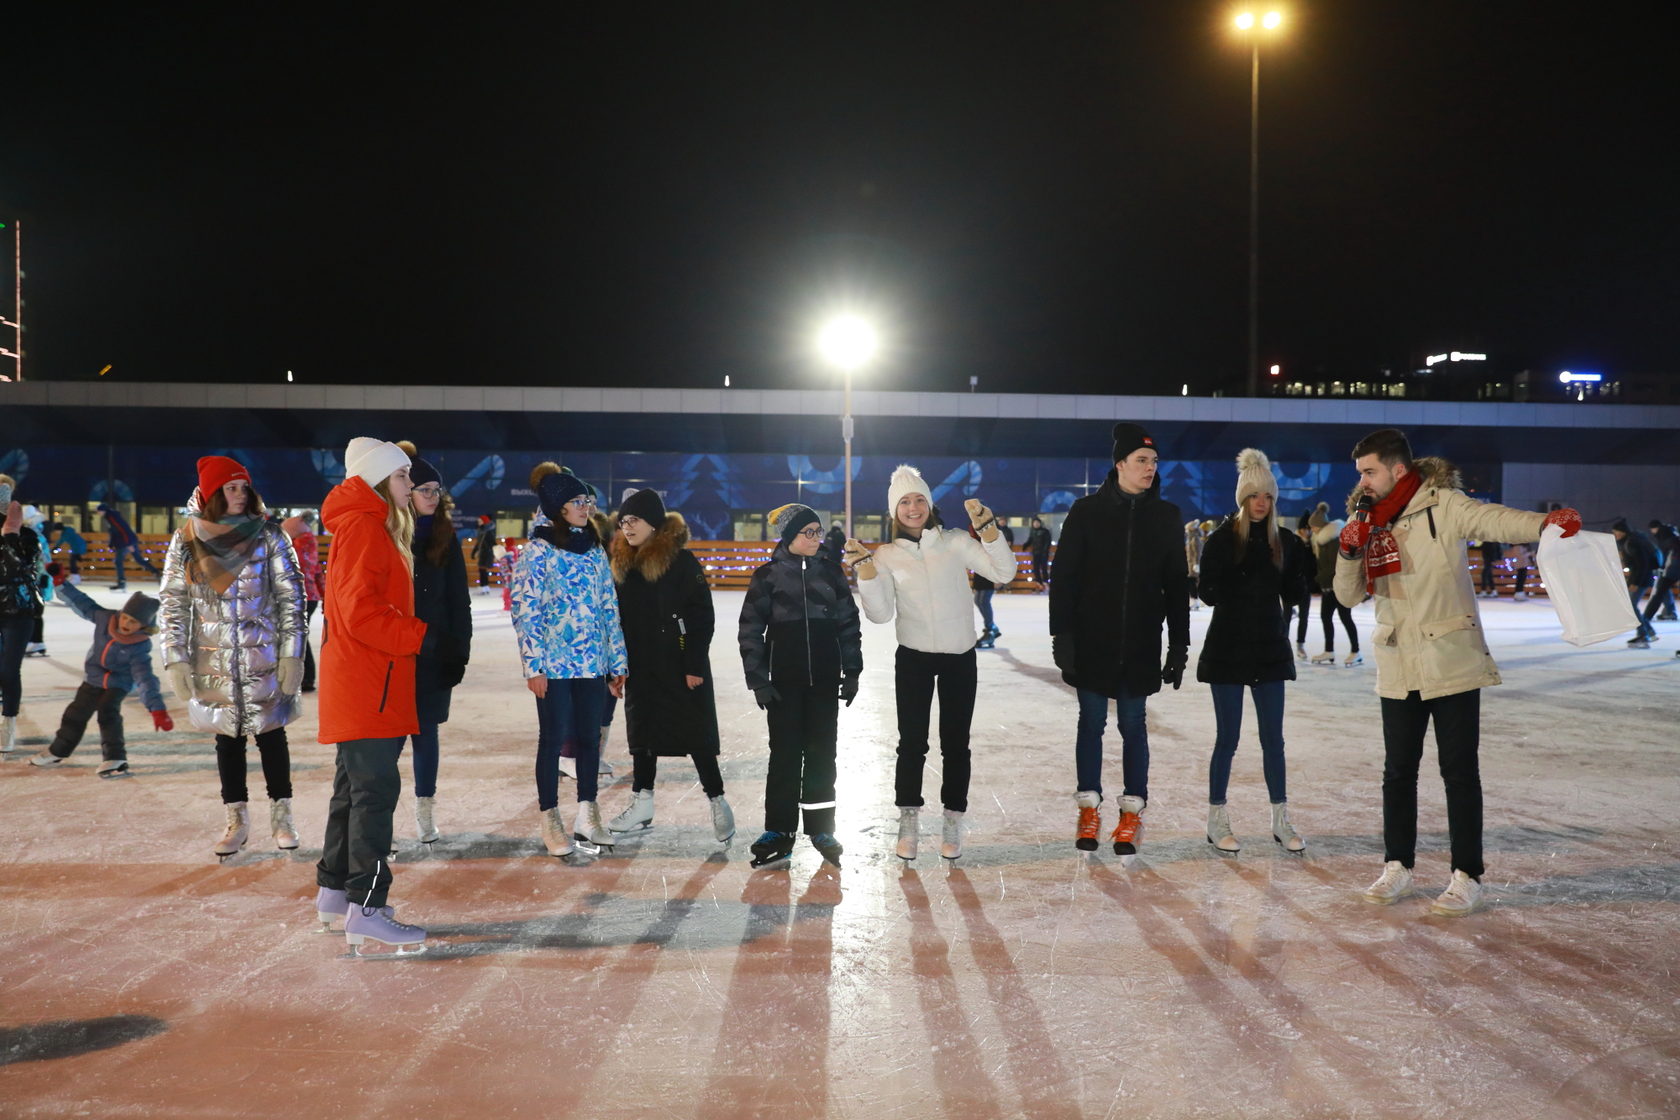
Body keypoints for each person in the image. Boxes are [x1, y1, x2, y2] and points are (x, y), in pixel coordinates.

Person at [1336, 428, 1581, 917]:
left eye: (1369, 471)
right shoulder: (1365, 520)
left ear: (1397, 469)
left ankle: (1467, 875)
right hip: (1398, 662)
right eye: (1360, 473)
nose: (1362, 482)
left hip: (1452, 659)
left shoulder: (1443, 504)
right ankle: (1397, 865)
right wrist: (1348, 551)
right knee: (1398, 774)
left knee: (1459, 774)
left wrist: (1545, 524)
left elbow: (1493, 520)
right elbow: (1347, 596)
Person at [850, 465, 1015, 861]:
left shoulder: (955, 541)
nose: (912, 507)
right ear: (895, 511)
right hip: (914, 659)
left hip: (959, 656)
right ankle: (908, 820)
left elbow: (1004, 571)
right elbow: (879, 614)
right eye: (904, 502)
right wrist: (868, 573)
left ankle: (952, 820)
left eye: (919, 499)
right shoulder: (887, 555)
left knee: (956, 744)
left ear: (929, 503)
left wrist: (989, 532)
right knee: (912, 744)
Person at [1049, 423, 1190, 856]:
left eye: (1154, 462)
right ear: (1120, 465)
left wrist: (1179, 646)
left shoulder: (1165, 516)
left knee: (1133, 725)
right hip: (1094, 642)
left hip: (1141, 643)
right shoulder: (1086, 511)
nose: (1150, 468)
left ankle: (1131, 811)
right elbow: (1064, 579)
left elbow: (1176, 586)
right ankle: (1088, 808)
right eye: (1142, 461)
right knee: (1091, 724)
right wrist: (1063, 637)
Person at [313, 438, 430, 954]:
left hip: (365, 683)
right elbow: (361, 614)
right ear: (381, 480)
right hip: (370, 685)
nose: (410, 484)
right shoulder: (365, 528)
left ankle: (335, 893)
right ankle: (369, 906)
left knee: (352, 794)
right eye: (404, 476)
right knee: (374, 799)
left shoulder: (367, 525)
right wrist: (422, 636)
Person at [158, 456, 306, 858]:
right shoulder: (187, 539)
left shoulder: (271, 536)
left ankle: (282, 816)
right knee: (228, 740)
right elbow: (173, 602)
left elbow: (292, 599)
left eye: (244, 487)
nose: (240, 495)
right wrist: (176, 658)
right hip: (214, 660)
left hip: (263, 657)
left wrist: (292, 656)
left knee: (272, 736)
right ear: (211, 493)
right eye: (230, 487)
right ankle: (237, 819)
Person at [1195, 449, 1311, 854]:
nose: (1261, 502)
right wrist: (1238, 571)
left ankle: (1281, 819)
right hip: (1228, 648)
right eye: (1254, 495)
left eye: (1268, 496)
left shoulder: (1287, 543)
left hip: (1269, 649)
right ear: (1243, 498)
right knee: (1227, 738)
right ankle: (1216, 818)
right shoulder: (1222, 540)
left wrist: (1300, 573)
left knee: (1273, 740)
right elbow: (1207, 592)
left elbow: (1295, 593)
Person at [605, 488, 734, 846]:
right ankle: (642, 801)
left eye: (634, 520)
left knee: (696, 736)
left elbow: (701, 616)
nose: (627, 527)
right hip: (641, 666)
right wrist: (615, 667)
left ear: (653, 523)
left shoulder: (682, 562)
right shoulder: (622, 565)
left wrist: (694, 662)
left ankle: (717, 800)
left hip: (680, 665)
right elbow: (616, 621)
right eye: (623, 521)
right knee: (643, 737)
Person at [510, 470, 627, 859]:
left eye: (587, 502)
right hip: (555, 666)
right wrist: (534, 666)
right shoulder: (539, 552)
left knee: (590, 739)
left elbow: (609, 607)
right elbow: (526, 611)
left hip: (592, 662)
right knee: (553, 738)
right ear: (558, 508)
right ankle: (550, 816)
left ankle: (587, 813)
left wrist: (617, 660)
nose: (586, 508)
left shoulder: (594, 550)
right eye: (578, 502)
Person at [738, 502, 862, 869]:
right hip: (784, 685)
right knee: (785, 757)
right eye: (809, 532)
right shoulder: (769, 576)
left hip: (824, 682)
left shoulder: (831, 573)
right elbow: (749, 631)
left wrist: (852, 672)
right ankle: (778, 829)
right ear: (791, 536)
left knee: (823, 755)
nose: (816, 538)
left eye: (818, 531)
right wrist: (759, 680)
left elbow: (848, 626)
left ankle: (822, 828)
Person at [28, 584, 172, 774]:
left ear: (143, 625)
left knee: (107, 713)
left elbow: (145, 678)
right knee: (74, 714)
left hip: (118, 683)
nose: (126, 624)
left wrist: (157, 709)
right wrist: (62, 584)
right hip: (94, 677)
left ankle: (115, 758)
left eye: (133, 622)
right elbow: (83, 603)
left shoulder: (138, 646)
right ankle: (58, 751)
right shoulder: (105, 619)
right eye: (125, 617)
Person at [406, 458, 472, 843]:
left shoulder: (446, 537)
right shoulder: (390, 533)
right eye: (425, 490)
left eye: (436, 490)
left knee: (426, 732)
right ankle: (381, 810)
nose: (433, 497)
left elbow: (459, 601)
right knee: (391, 737)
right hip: (397, 651)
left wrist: (458, 652)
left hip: (435, 653)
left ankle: (424, 808)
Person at [1, 476, 45, 753]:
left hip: (19, 609)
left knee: (8, 670)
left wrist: (10, 534)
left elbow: (22, 568)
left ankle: (9, 722)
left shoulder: (26, 535)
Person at [1309, 502, 1360, 665]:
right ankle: (1329, 651)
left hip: (1339, 586)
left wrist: (1317, 579)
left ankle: (1356, 651)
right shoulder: (1321, 541)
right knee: (1326, 617)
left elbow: (1334, 565)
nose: (1312, 530)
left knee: (1345, 617)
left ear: (1320, 526)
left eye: (1314, 527)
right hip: (1328, 587)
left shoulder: (1332, 541)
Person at [281, 513, 322, 692]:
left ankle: (307, 678)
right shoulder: (307, 541)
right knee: (298, 637)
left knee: (299, 638)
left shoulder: (302, 543)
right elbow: (318, 571)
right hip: (308, 596)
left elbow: (299, 567)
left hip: (303, 596)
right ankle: (305, 678)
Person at [1614, 518, 1661, 648]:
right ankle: (1649, 632)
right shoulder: (1630, 541)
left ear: (1623, 532)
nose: (1615, 534)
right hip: (1641, 578)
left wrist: (1635, 583)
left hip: (1641, 579)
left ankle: (1643, 635)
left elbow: (1642, 565)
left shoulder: (1632, 542)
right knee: (1631, 606)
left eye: (1616, 531)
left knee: (1632, 606)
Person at [98, 502, 162, 591]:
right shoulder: (110, 517)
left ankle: (121, 582)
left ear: (103, 510)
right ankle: (156, 572)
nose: (98, 513)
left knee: (118, 562)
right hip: (127, 541)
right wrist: (111, 545)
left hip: (125, 543)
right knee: (138, 560)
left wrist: (129, 544)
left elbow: (123, 529)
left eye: (99, 511)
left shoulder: (111, 517)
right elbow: (114, 532)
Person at [1639, 520, 1680, 632]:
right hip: (1670, 568)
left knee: (1659, 593)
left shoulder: (1666, 536)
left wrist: (1661, 566)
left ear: (1655, 528)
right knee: (1661, 591)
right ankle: (1666, 612)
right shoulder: (1671, 534)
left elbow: (1666, 553)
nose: (1652, 532)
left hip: (1670, 569)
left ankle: (1646, 619)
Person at [473, 513, 498, 594]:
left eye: (480, 521)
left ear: (484, 521)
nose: (478, 522)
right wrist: (474, 552)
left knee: (482, 570)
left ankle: (483, 587)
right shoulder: (481, 530)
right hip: (482, 553)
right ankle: (485, 587)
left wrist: (495, 554)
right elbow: (478, 543)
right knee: (482, 570)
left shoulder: (488, 531)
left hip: (486, 554)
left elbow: (493, 543)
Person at [1028, 517, 1053, 592]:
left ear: (1040, 523)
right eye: (1034, 523)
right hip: (1036, 553)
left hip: (1043, 554)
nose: (1036, 524)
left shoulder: (1045, 531)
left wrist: (1045, 551)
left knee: (1044, 568)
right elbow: (1030, 540)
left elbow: (1047, 542)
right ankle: (1039, 584)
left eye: (1037, 522)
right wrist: (1025, 545)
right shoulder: (1032, 532)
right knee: (1036, 569)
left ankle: (1045, 583)